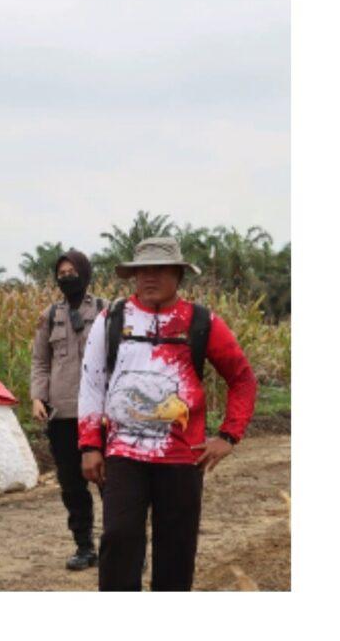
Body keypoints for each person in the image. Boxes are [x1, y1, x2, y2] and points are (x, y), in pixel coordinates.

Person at [78, 234, 255, 592]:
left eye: (160, 269)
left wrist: (228, 435)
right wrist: (89, 445)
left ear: (179, 274)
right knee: (119, 539)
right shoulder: (111, 318)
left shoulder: (202, 321)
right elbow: (92, 384)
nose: (149, 277)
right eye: (142, 270)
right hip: (123, 454)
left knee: (176, 549)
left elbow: (243, 379)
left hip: (181, 458)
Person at [32, 247, 105, 571]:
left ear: (84, 274)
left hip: (98, 413)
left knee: (110, 484)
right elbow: (40, 361)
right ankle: (84, 547)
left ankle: (124, 547)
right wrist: (38, 396)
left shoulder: (106, 311)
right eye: (61, 275)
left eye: (71, 273)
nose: (66, 279)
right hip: (61, 414)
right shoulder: (49, 316)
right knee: (72, 487)